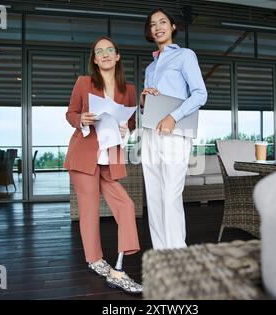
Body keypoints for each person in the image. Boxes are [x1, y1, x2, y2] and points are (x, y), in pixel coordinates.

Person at [63, 36, 142, 293]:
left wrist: (125, 128)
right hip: (84, 155)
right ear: (95, 59)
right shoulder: (83, 83)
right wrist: (82, 119)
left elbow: (130, 124)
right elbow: (70, 113)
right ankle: (95, 260)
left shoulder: (128, 89)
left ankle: (118, 268)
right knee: (89, 210)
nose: (105, 54)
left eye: (110, 50)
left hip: (110, 158)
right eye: (100, 51)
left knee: (127, 205)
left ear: (117, 56)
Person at [140, 8, 208, 249]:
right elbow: (148, 106)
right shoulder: (150, 68)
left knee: (170, 197)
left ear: (172, 27)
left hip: (176, 132)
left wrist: (173, 116)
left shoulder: (185, 56)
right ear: (149, 31)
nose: (157, 27)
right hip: (150, 133)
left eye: (163, 22)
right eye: (153, 24)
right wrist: (143, 100)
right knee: (155, 198)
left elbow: (200, 94)